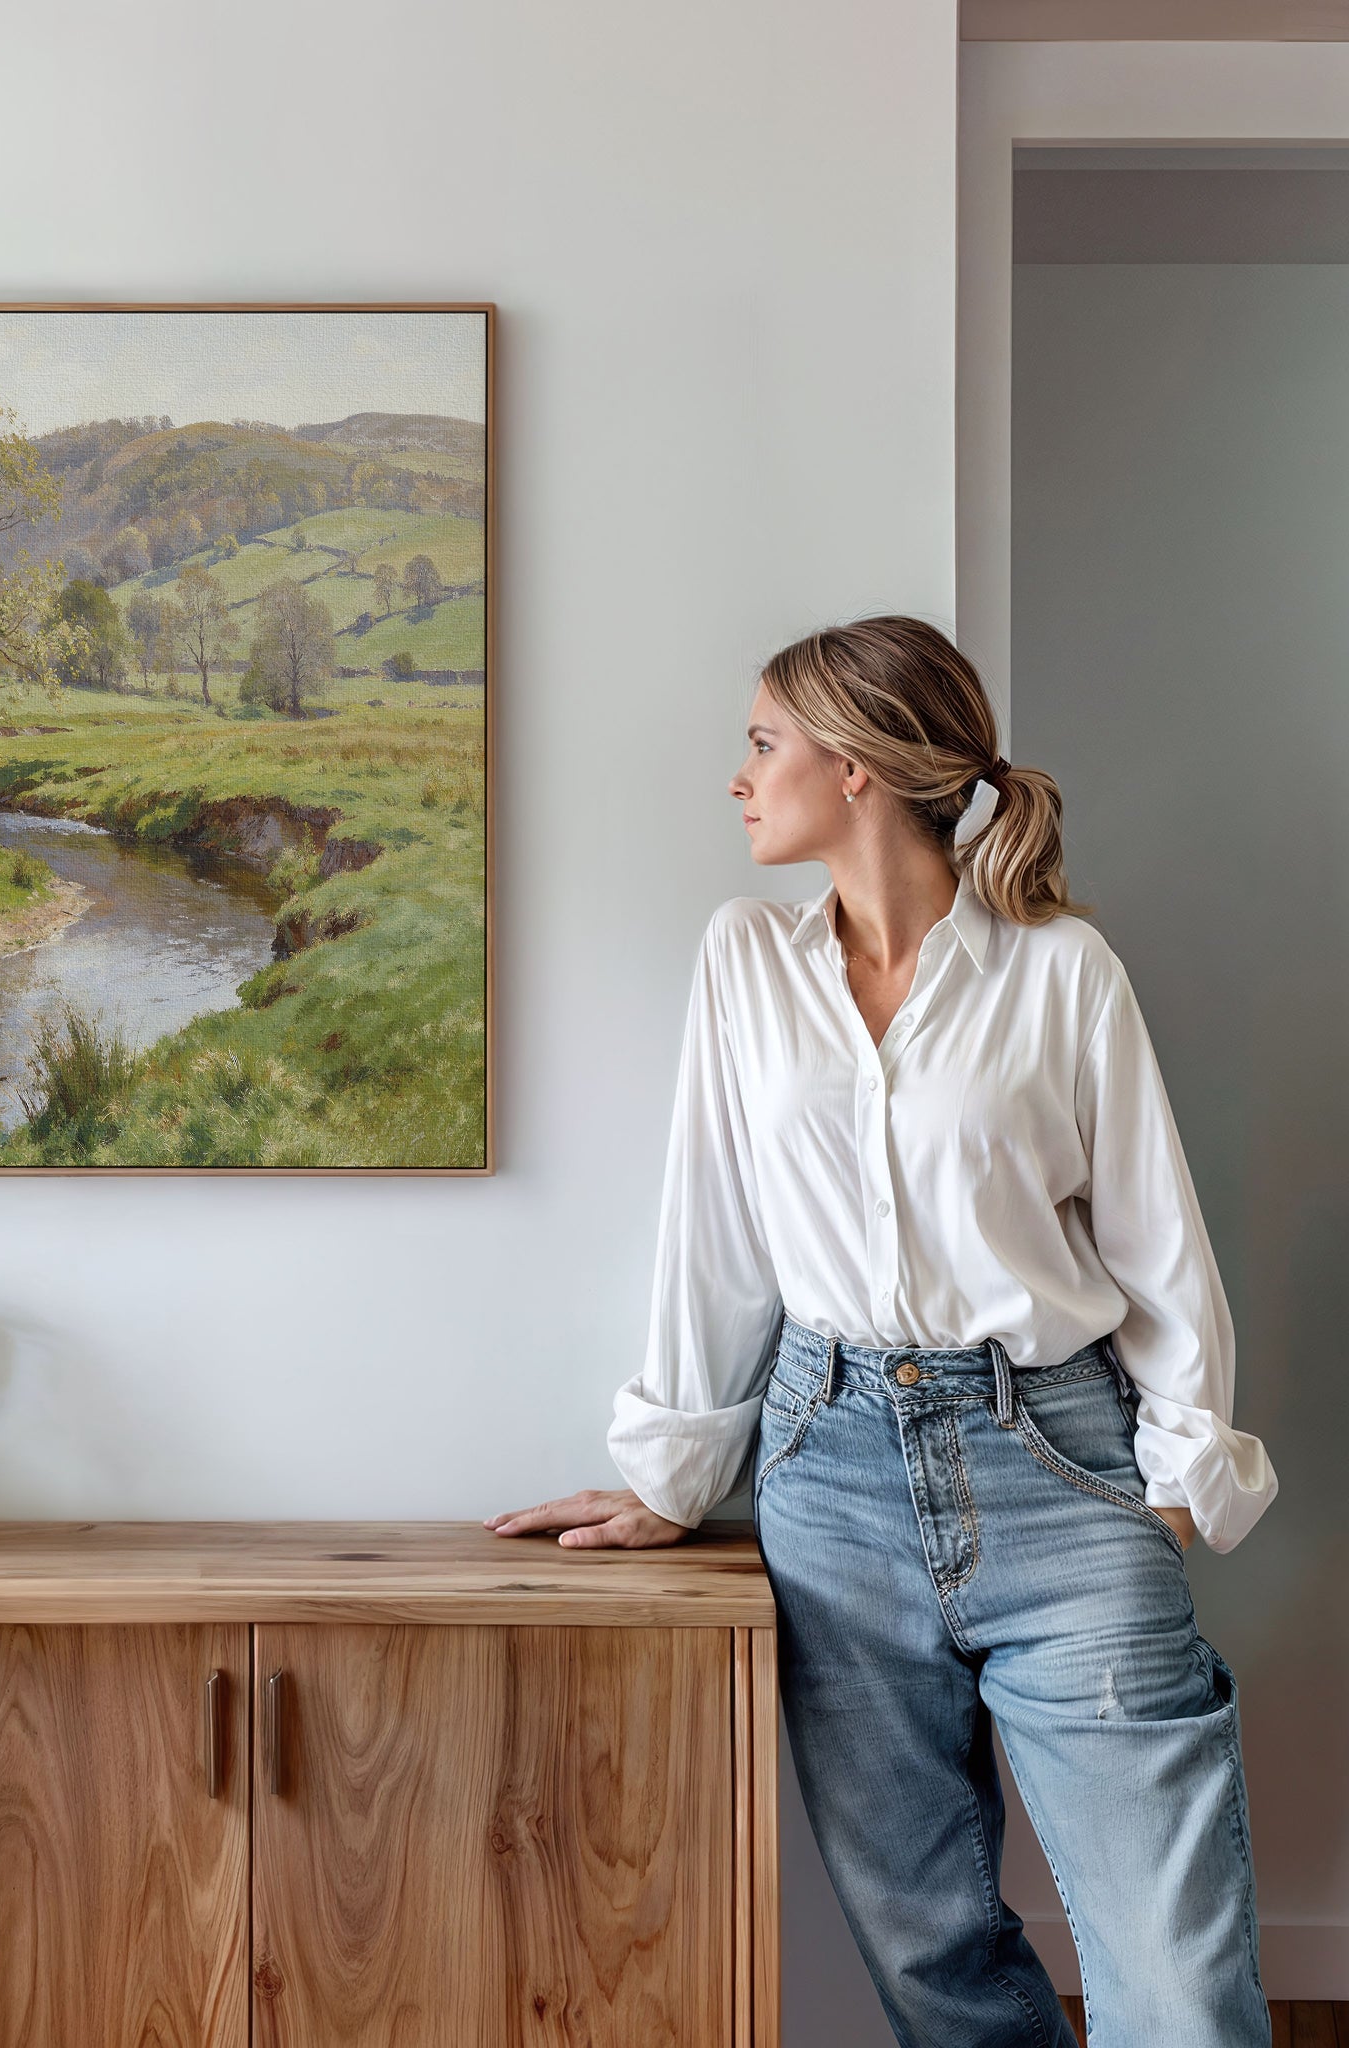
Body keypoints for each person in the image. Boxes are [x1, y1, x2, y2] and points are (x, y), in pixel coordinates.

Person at [485, 616, 1278, 2047]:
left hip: (1060, 1460)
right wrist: (676, 1474)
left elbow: (1159, 1242)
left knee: (1175, 1974)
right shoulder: (745, 963)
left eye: (762, 742)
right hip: (828, 1473)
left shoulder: (1061, 971)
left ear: (855, 769)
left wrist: (1174, 1479)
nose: (739, 777)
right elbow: (712, 1231)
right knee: (933, 1959)